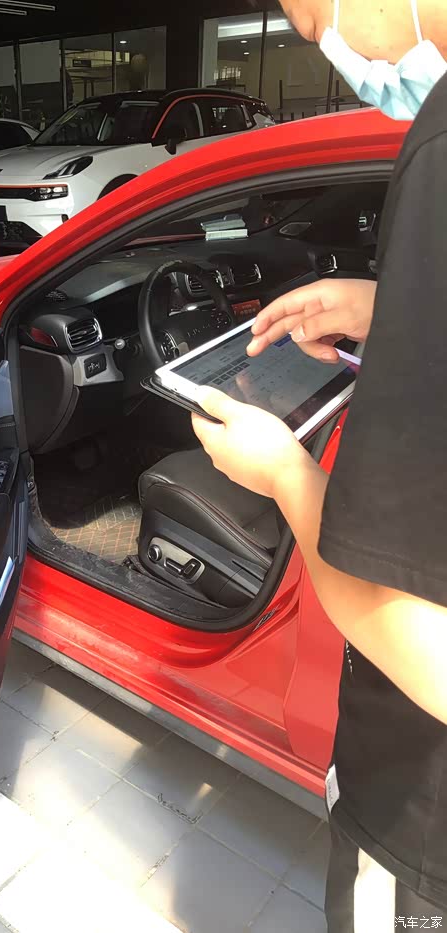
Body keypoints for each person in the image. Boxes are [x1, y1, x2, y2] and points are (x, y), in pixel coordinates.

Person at [191, 1, 447, 929]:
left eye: (305, 15)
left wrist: (287, 476)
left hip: (424, 828)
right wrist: (391, 304)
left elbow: (428, 648)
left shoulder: (442, 146)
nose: (315, 39)